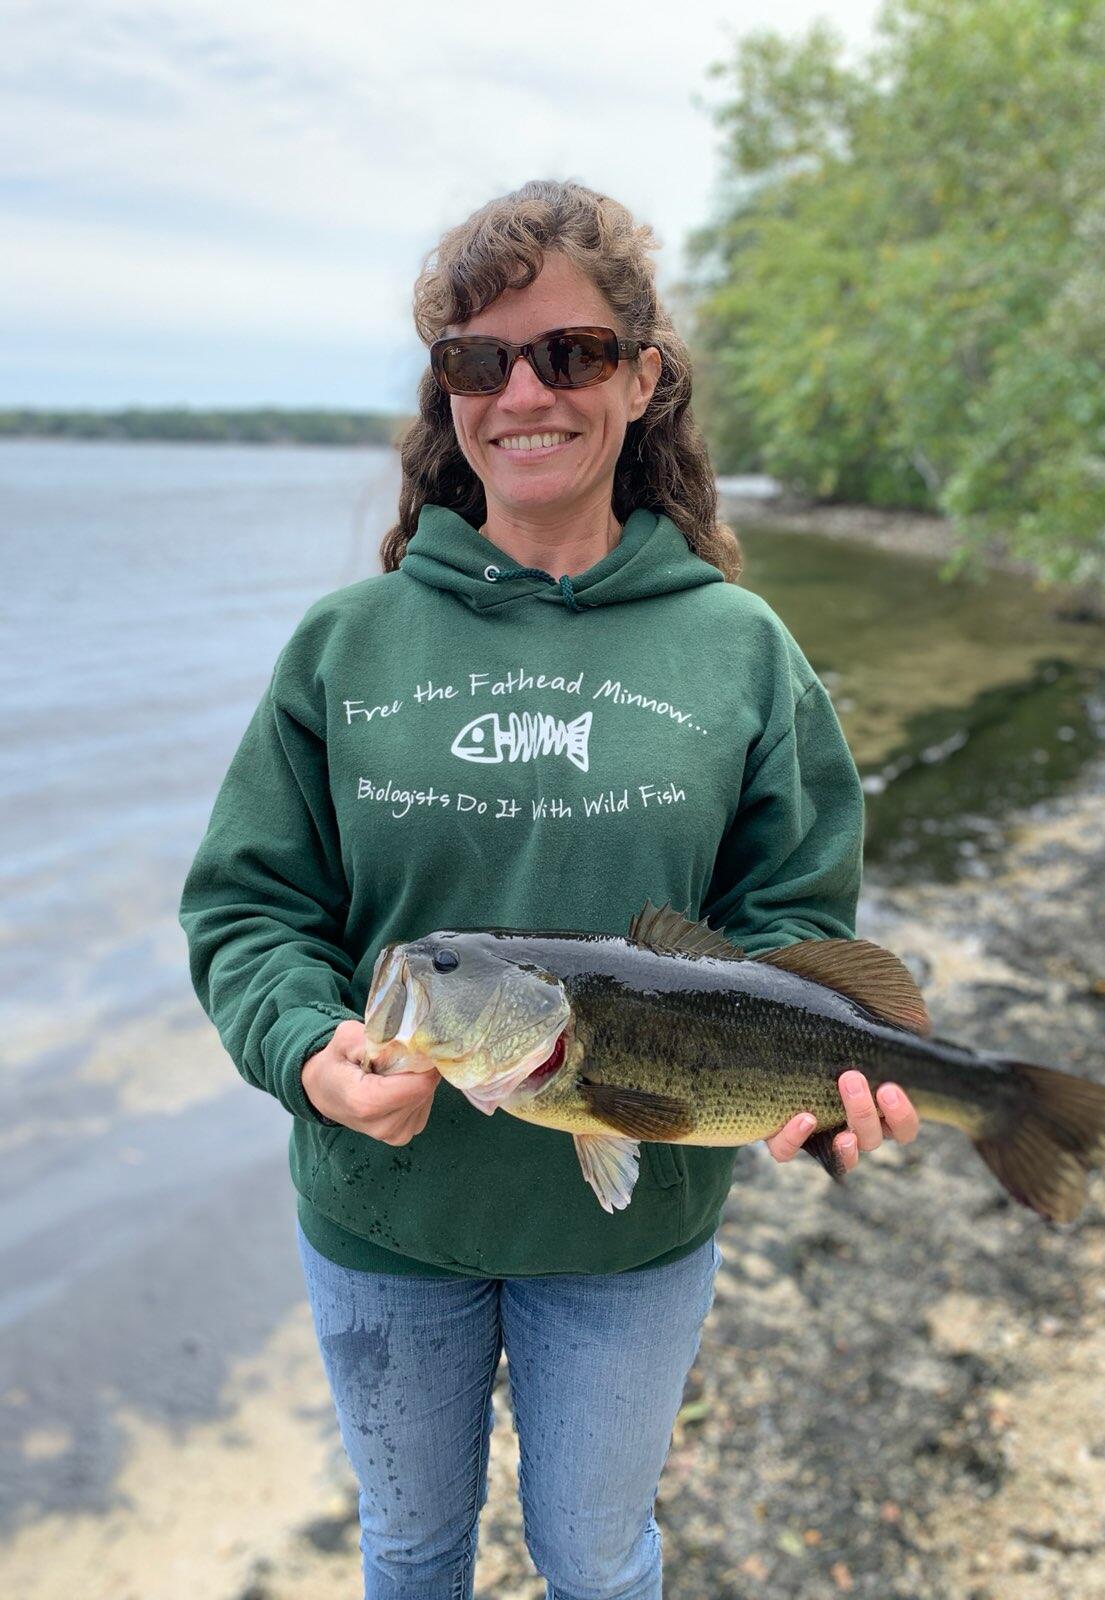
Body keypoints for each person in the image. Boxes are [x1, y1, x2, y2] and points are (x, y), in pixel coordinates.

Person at [178, 178, 920, 1600]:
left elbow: (793, 925)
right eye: (478, 358)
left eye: (570, 353)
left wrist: (817, 1102)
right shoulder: (348, 642)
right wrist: (309, 1053)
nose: (524, 390)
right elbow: (248, 908)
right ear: (447, 389)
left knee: (595, 1557)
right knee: (406, 1549)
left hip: (631, 1236)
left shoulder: (742, 650)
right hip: (382, 1216)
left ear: (642, 380)